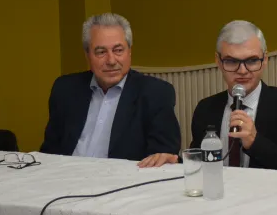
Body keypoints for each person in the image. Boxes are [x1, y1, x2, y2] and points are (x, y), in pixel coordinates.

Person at [139, 20, 277, 171]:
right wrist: (178, 163)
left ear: (265, 59)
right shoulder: (206, 109)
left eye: (252, 61)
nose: (242, 71)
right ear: (218, 61)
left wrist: (256, 143)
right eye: (232, 61)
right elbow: (204, 164)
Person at [40, 13, 181, 161]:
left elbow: (162, 158)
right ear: (87, 55)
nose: (111, 61)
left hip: (122, 175)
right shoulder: (65, 89)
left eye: (118, 50)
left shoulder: (156, 93)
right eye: (101, 52)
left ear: (130, 51)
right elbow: (49, 153)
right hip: (67, 173)